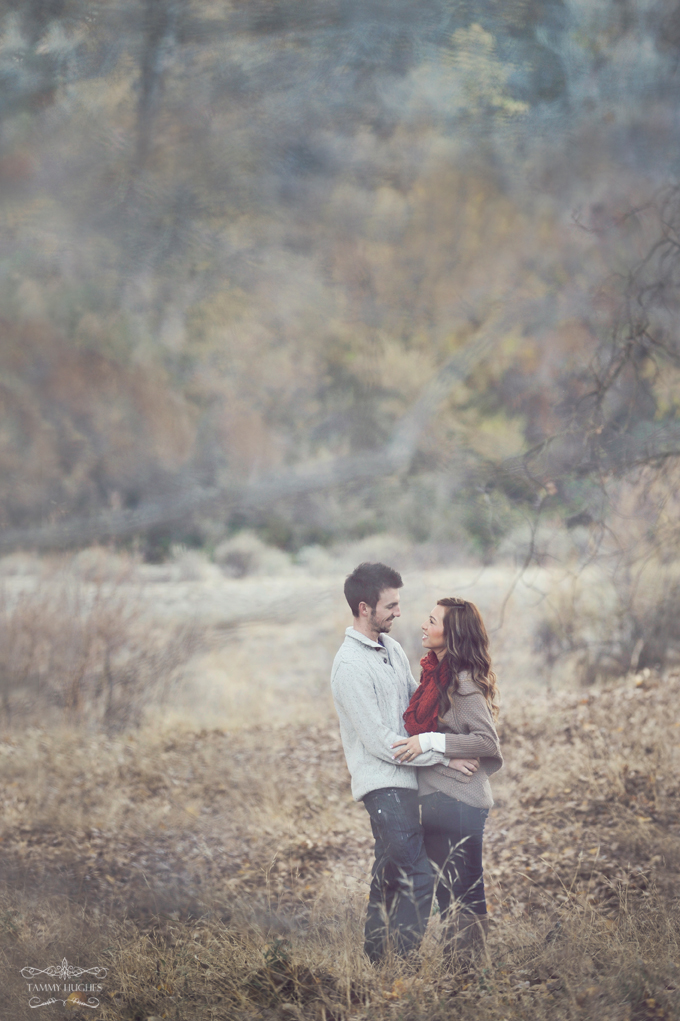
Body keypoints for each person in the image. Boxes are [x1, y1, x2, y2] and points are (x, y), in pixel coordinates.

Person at [331, 563, 466, 963]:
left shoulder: (389, 649)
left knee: (389, 876)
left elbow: (414, 702)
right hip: (383, 785)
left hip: (408, 780)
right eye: (390, 605)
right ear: (363, 607)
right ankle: (402, 965)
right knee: (418, 878)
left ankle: (375, 963)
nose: (399, 612)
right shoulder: (350, 666)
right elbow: (379, 742)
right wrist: (445, 754)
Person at [392, 597, 502, 961]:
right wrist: (445, 754)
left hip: (460, 802)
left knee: (465, 890)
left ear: (451, 633)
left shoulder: (463, 683)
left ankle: (472, 970)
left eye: (432, 621)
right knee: (449, 891)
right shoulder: (433, 677)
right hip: (441, 798)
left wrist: (430, 741)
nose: (424, 626)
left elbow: (487, 741)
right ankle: (463, 966)